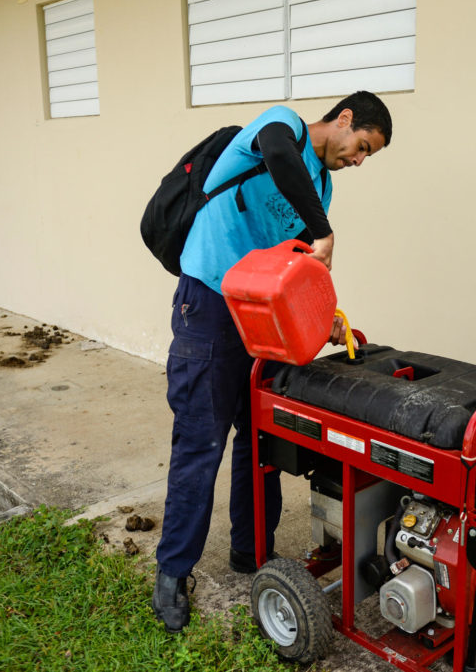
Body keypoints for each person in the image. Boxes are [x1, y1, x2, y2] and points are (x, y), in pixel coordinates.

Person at [151, 91, 393, 632]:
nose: (358, 160)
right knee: (201, 441)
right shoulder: (281, 129)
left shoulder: (322, 185)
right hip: (210, 304)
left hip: (258, 320)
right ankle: (172, 572)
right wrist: (325, 230)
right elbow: (281, 160)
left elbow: (298, 268)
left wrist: (325, 313)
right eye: (361, 147)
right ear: (344, 119)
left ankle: (251, 550)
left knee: (259, 438)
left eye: (367, 157)